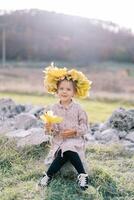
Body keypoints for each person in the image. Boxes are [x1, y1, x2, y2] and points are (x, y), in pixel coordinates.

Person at [38, 64, 92, 190]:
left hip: (75, 141)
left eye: (68, 89)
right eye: (61, 88)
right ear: (56, 91)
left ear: (74, 92)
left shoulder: (79, 109)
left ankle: (49, 175)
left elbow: (85, 127)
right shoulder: (53, 109)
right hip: (59, 142)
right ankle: (82, 174)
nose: (64, 91)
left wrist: (74, 132)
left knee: (68, 146)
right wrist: (49, 128)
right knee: (63, 149)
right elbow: (51, 132)